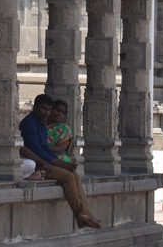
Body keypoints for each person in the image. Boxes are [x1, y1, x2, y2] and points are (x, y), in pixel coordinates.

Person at [19, 93, 102, 230]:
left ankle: (84, 213)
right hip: (36, 163)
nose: (46, 112)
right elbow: (35, 149)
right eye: (43, 108)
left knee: (74, 175)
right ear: (35, 107)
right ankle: (81, 215)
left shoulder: (40, 123)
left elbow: (45, 147)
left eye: (48, 109)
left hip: (46, 162)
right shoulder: (30, 123)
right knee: (68, 177)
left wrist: (59, 161)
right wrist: (57, 163)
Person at [47, 99, 74, 164]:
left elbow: (60, 148)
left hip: (58, 157)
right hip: (40, 155)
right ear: (51, 109)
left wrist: (43, 147)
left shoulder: (65, 128)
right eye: (58, 110)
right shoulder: (40, 125)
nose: (59, 114)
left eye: (63, 112)